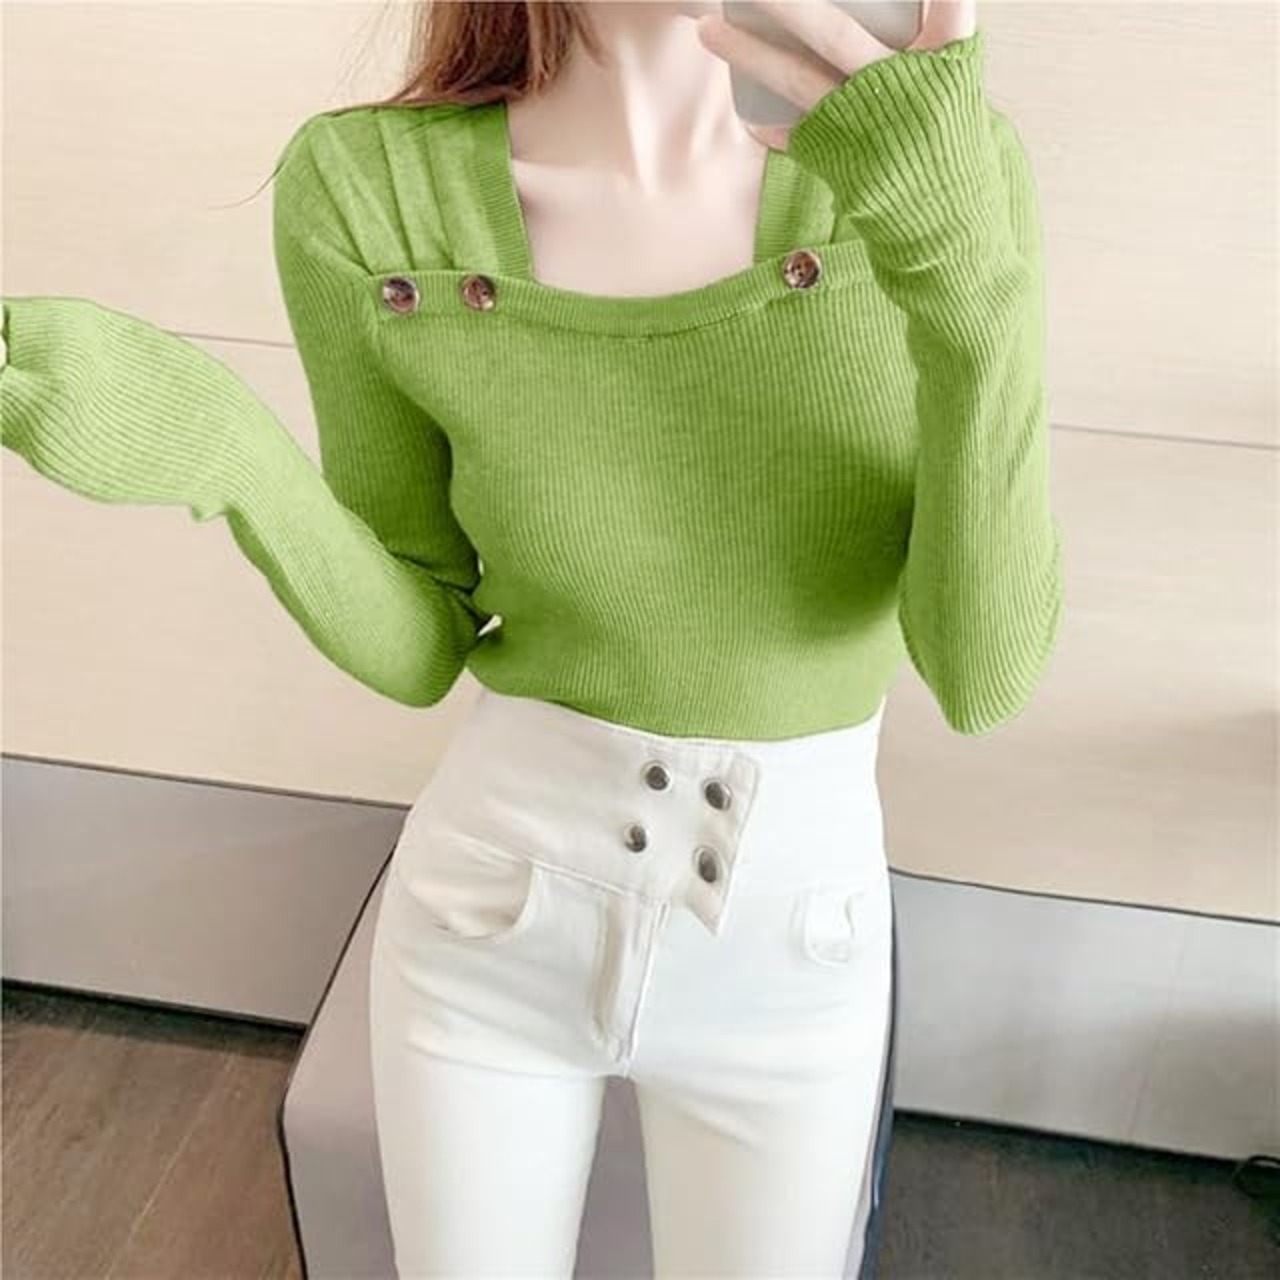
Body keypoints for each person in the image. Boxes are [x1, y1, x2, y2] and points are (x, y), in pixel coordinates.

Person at [0, 0, 1064, 1275]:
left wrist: (963, 273)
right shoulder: (368, 189)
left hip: (791, 954)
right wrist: (230, 455)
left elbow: (983, 671)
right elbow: (420, 639)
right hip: (490, 919)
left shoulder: (933, 173)